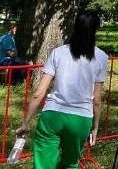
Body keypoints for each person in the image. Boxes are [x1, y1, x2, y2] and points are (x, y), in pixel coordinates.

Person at [15, 11, 108, 169]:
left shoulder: (58, 53)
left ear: (74, 26)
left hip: (52, 115)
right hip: (81, 118)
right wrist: (95, 126)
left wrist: (26, 123)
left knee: (43, 164)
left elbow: (39, 93)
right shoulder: (101, 57)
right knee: (70, 163)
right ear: (96, 29)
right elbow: (97, 99)